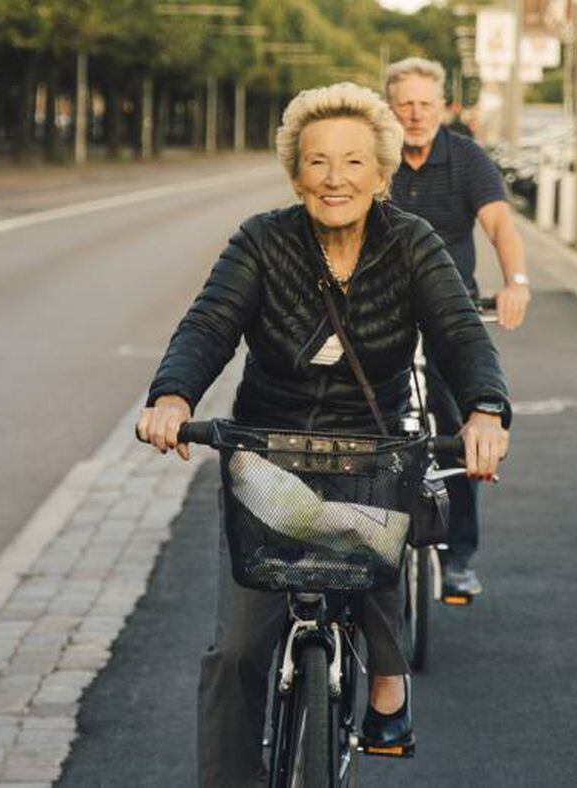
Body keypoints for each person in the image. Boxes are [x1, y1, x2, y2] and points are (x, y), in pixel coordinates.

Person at [137, 82, 511, 787]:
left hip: (368, 446)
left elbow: (460, 332)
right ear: (295, 172)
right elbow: (210, 323)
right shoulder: (262, 240)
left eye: (351, 162)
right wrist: (172, 394)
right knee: (239, 650)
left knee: (374, 543)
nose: (334, 178)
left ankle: (387, 679)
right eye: (316, 162)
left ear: (379, 172)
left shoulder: (410, 243)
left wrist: (485, 410)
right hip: (269, 455)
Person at [386, 57, 530, 599]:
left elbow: (498, 223)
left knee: (460, 434)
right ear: (391, 109)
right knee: (365, 422)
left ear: (443, 107)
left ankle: (459, 557)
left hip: (451, 312)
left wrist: (515, 282)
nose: (416, 115)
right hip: (386, 312)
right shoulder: (378, 157)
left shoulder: (466, 157)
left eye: (426, 104)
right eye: (405, 105)